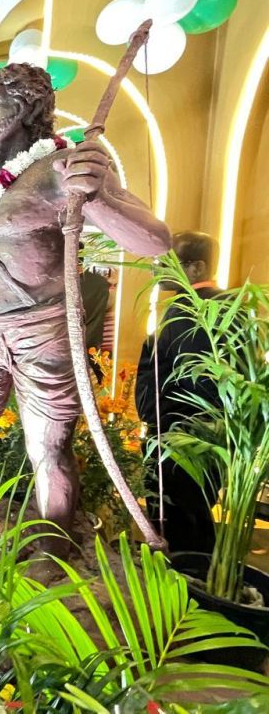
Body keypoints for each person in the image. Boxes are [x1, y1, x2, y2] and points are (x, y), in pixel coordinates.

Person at [0, 63, 171, 553]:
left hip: (42, 331)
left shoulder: (61, 167)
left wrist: (96, 199)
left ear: (25, 109)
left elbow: (155, 241)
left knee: (47, 445)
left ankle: (54, 552)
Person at [135, 231, 222, 554]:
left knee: (180, 527)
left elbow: (196, 386)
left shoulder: (197, 312)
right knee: (190, 519)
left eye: (167, 262)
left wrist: (159, 425)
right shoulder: (210, 306)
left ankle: (185, 578)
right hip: (194, 438)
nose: (156, 270)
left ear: (197, 268)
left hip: (181, 440)